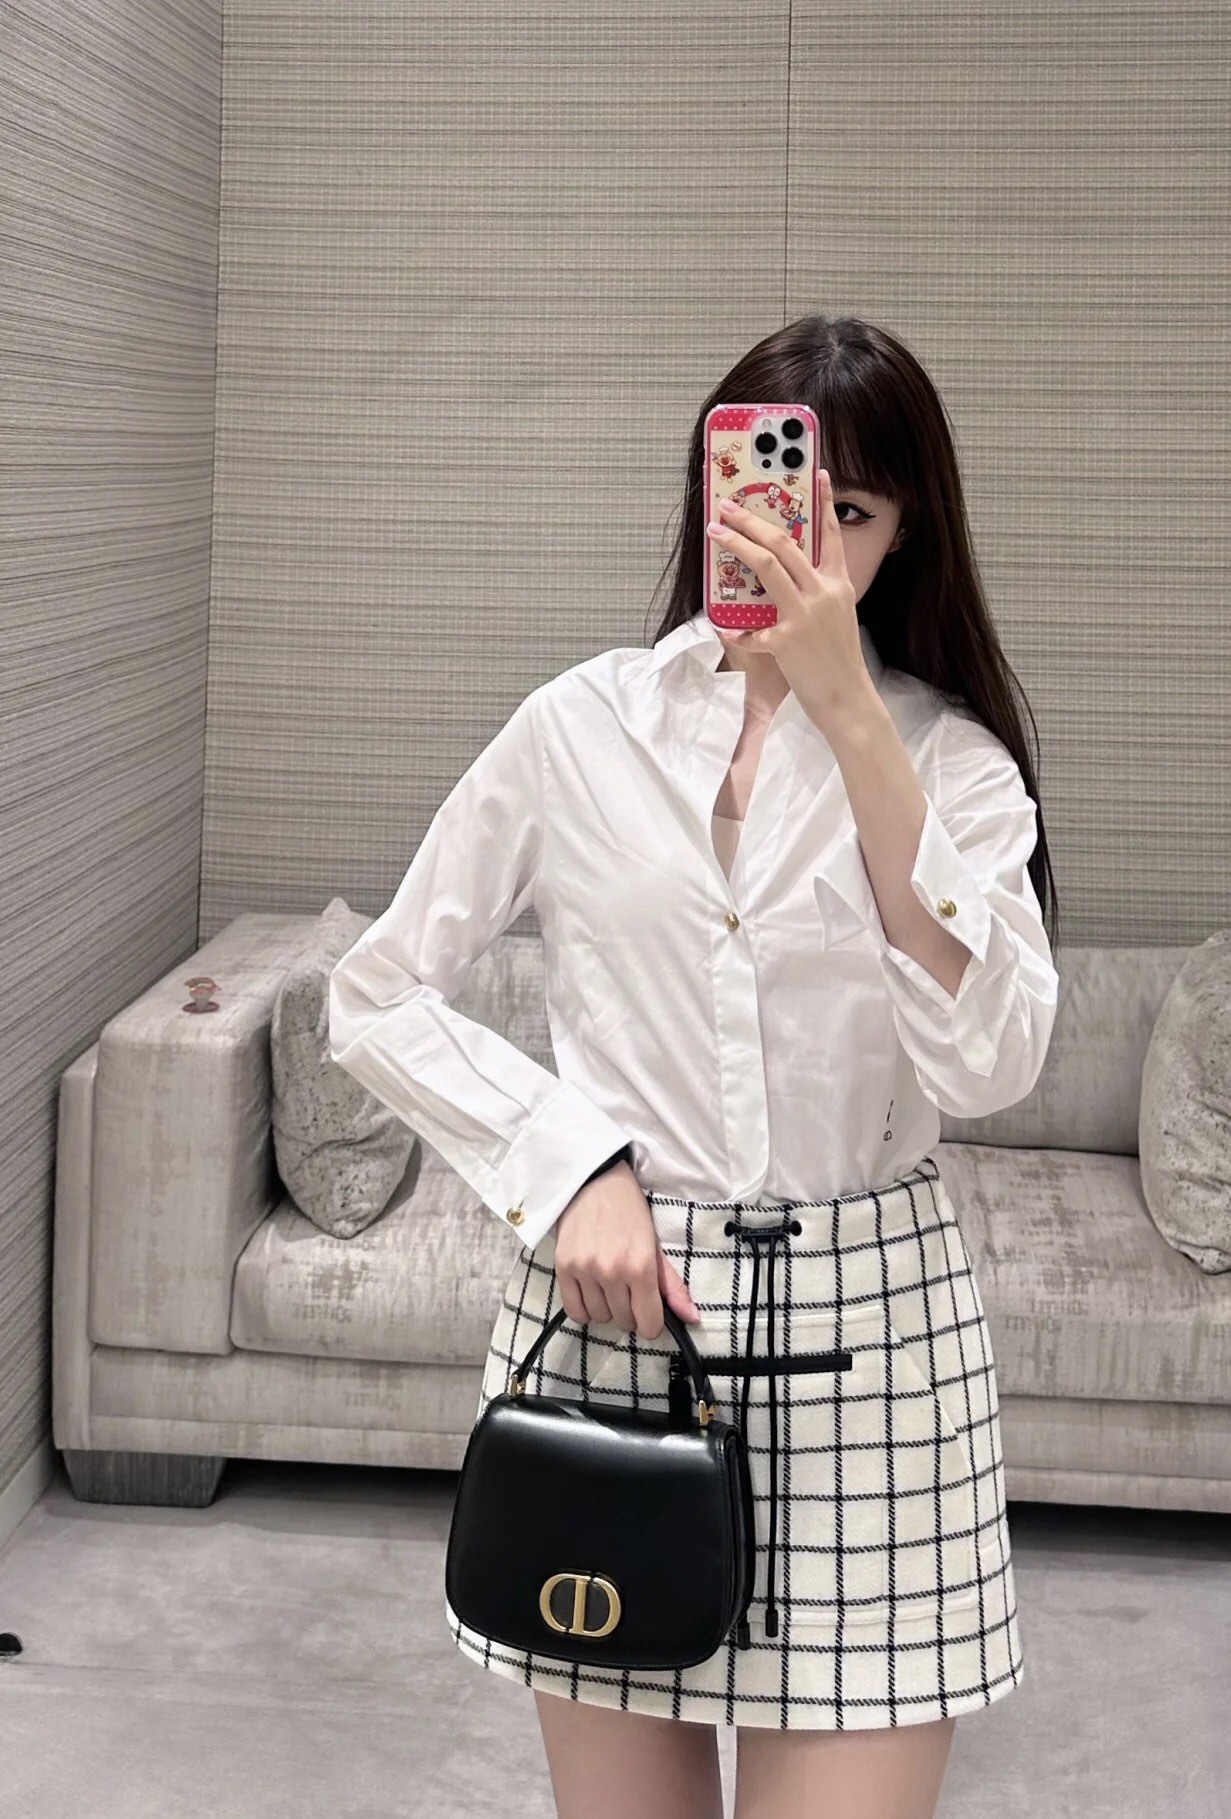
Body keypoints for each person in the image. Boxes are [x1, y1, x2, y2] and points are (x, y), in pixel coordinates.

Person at [328, 313, 1061, 1819]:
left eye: (850, 511)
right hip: (617, 1334)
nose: (802, 540)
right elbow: (376, 991)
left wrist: (851, 714)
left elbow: (989, 1060)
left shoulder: (958, 767)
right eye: (775, 491)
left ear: (905, 536)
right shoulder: (577, 729)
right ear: (712, 488)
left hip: (876, 1361)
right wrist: (568, 1165)